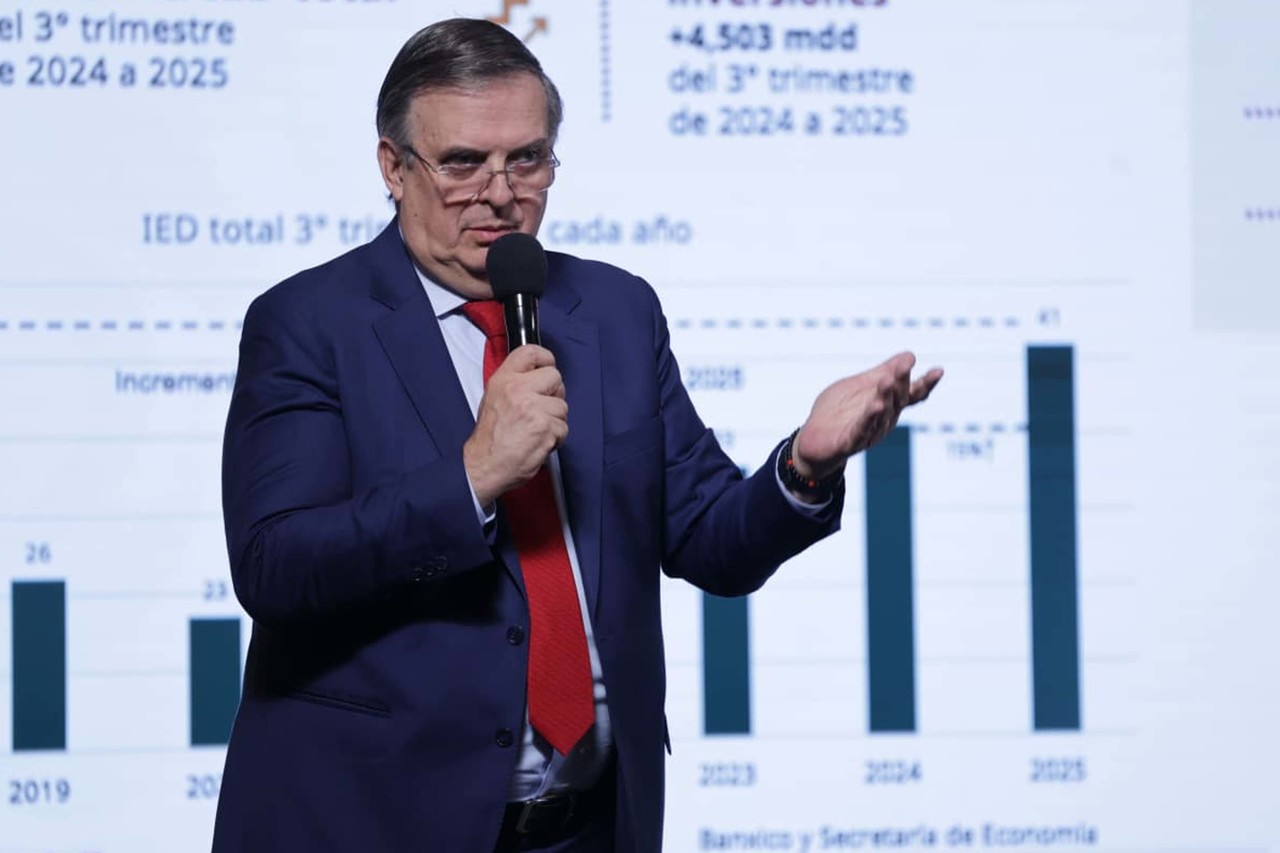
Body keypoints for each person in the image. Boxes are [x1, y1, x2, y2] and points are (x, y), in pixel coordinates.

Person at [211, 16, 942, 853]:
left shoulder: (616, 311)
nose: (500, 193)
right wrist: (472, 477)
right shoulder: (309, 322)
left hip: (589, 826)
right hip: (374, 822)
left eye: (527, 159)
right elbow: (275, 564)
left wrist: (805, 465)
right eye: (463, 162)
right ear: (393, 166)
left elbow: (709, 539)